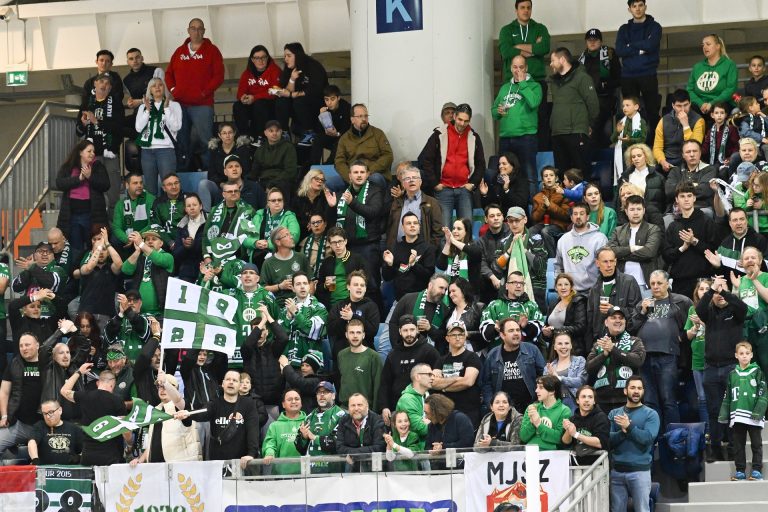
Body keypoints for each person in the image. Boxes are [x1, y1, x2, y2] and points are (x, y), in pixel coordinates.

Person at [631, 270, 693, 428]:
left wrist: (682, 337)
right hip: (644, 357)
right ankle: (654, 436)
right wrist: (642, 312)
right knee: (649, 400)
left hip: (668, 355)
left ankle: (673, 437)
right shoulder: (642, 304)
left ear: (667, 284)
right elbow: (631, 328)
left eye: (659, 283)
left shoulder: (681, 301)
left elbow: (692, 323)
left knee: (668, 399)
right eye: (652, 283)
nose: (655, 286)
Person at [697, 275, 748, 462]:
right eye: (716, 292)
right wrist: (712, 289)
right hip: (711, 368)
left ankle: (734, 449)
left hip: (732, 367)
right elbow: (699, 309)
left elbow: (743, 307)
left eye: (722, 290)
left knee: (734, 410)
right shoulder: (708, 313)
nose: (719, 294)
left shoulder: (736, 312)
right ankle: (716, 447)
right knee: (713, 410)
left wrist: (724, 291)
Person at [165, 18, 224, 171]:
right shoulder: (179, 51)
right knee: (181, 140)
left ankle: (210, 172)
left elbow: (219, 76)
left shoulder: (212, 51)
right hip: (180, 104)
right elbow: (169, 74)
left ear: (203, 31)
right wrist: (173, 90)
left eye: (199, 28)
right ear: (188, 31)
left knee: (206, 140)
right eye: (193, 28)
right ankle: (184, 172)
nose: (196, 31)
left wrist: (204, 92)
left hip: (202, 105)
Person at [327, 161, 387, 302]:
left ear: (368, 174)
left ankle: (375, 314)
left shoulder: (375, 191)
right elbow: (333, 224)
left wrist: (352, 203)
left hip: (368, 246)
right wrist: (331, 207)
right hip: (348, 247)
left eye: (362, 172)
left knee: (371, 284)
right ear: (350, 175)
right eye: (355, 172)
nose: (359, 175)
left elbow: (373, 212)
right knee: (350, 285)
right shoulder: (343, 194)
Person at [177, 370, 260, 469]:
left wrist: (251, 454)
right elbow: (203, 413)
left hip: (241, 461)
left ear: (239, 385)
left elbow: (253, 430)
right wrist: (188, 413)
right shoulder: (215, 403)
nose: (231, 382)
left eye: (235, 380)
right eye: (228, 379)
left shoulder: (249, 404)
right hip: (218, 462)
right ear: (223, 384)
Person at [420, 103, 484, 226]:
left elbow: (481, 164)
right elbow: (426, 160)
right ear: (454, 116)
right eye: (460, 119)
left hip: (464, 189)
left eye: (466, 121)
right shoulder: (439, 134)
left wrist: (473, 184)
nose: (462, 124)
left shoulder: (474, 137)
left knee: (466, 228)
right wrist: (435, 183)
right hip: (443, 189)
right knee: (444, 229)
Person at [497, 0, 550, 142]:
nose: (526, 10)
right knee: (514, 116)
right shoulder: (506, 30)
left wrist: (517, 47)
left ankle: (542, 151)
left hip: (536, 82)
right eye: (522, 7)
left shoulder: (540, 28)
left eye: (528, 7)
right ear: (516, 10)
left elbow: (544, 48)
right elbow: (506, 51)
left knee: (541, 118)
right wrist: (533, 48)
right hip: (512, 83)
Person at [491, 55, 543, 198]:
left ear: (526, 68)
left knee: (529, 174)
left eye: (521, 67)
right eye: (515, 67)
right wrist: (498, 111)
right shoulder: (504, 88)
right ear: (510, 68)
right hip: (505, 137)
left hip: (526, 136)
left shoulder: (535, 86)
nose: (517, 70)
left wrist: (523, 84)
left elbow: (534, 102)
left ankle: (532, 207)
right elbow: (494, 112)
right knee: (503, 173)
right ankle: (505, 204)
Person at [608, 376, 660, 512]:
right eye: (632, 388)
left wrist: (629, 427)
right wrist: (623, 432)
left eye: (639, 388)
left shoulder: (651, 414)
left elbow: (647, 438)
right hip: (616, 473)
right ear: (625, 391)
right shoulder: (614, 414)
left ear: (643, 391)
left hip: (640, 472)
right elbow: (608, 441)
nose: (636, 391)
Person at [76, 71, 125, 215]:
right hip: (92, 154)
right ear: (95, 84)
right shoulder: (86, 104)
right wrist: (83, 124)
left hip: (110, 152)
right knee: (92, 190)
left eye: (108, 83)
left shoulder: (116, 103)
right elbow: (78, 131)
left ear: (110, 88)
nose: (104, 85)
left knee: (113, 190)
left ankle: (113, 222)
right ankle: (96, 222)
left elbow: (118, 128)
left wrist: (97, 122)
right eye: (101, 81)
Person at [718, 341, 766, 481]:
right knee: (738, 444)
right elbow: (727, 394)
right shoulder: (732, 374)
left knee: (756, 444)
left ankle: (756, 470)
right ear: (736, 356)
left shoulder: (757, 372)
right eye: (741, 353)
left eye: (747, 353)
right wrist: (724, 413)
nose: (744, 356)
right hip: (738, 415)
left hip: (753, 415)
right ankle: (740, 471)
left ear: (751, 355)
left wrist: (758, 411)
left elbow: (763, 393)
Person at [379, 315, 440, 426]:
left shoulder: (429, 351)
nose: (409, 333)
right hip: (397, 409)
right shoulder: (393, 354)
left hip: (422, 409)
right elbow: (385, 383)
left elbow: (436, 382)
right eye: (405, 330)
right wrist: (384, 406)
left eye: (412, 329)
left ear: (417, 329)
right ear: (400, 331)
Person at [61, 364, 127, 465]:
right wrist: (130, 444)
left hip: (88, 454)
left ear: (98, 383)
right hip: (111, 455)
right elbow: (125, 430)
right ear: (112, 384)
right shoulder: (118, 401)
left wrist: (79, 372)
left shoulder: (85, 396)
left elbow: (64, 391)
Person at [548, 47, 599, 175]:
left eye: (553, 60)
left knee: (581, 171)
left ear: (562, 59)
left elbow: (593, 104)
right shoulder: (554, 82)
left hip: (576, 131)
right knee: (561, 174)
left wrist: (588, 124)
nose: (551, 64)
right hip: (557, 132)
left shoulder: (582, 77)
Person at [615, 0, 663, 138]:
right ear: (629, 9)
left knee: (652, 111)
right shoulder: (624, 29)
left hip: (648, 74)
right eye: (634, 6)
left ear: (645, 7)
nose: (637, 9)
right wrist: (641, 48)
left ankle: (655, 143)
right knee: (630, 112)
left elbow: (650, 45)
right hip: (628, 76)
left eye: (640, 5)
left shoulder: (655, 26)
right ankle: (633, 143)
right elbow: (620, 50)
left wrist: (630, 46)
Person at [130, 372, 200, 464]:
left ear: (175, 389)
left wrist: (165, 382)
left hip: (179, 467)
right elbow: (152, 442)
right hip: (156, 467)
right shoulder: (155, 410)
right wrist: (141, 460)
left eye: (165, 386)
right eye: (159, 386)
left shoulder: (182, 406)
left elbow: (178, 399)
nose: (162, 389)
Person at [586, 307, 646, 414]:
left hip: (627, 399)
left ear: (625, 322)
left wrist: (613, 349)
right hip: (602, 400)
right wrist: (604, 354)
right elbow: (588, 368)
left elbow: (638, 361)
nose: (618, 320)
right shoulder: (599, 344)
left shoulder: (634, 341)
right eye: (613, 317)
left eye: (621, 318)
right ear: (606, 322)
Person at [662, 182, 717, 299]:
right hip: (680, 282)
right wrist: (682, 248)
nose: (686, 199)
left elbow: (714, 251)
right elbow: (666, 255)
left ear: (694, 198)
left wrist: (694, 241)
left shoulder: (706, 221)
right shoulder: (673, 226)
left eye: (689, 196)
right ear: (676, 199)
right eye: (682, 196)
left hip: (702, 281)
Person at [480, 318, 545, 414]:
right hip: (503, 410)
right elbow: (486, 384)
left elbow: (544, 376)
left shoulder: (532, 350)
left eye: (518, 330)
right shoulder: (492, 355)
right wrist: (492, 404)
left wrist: (539, 401)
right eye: (511, 331)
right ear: (502, 335)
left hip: (531, 407)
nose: (516, 333)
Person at [55, 140, 110, 251]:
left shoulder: (97, 166)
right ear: (80, 152)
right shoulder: (68, 166)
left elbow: (105, 185)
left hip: (92, 215)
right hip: (72, 215)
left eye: (93, 151)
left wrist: (90, 177)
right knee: (76, 248)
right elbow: (60, 183)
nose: (92, 154)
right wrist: (79, 179)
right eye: (89, 151)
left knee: (93, 247)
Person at [586, 247, 642, 349]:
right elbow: (590, 322)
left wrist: (615, 310)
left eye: (612, 261)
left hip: (624, 343)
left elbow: (637, 313)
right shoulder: (594, 289)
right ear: (597, 263)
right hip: (601, 343)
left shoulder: (629, 282)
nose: (609, 265)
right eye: (605, 261)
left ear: (615, 262)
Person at [607, 195, 664, 297]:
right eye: (632, 209)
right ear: (626, 211)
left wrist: (621, 255)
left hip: (646, 284)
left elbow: (649, 252)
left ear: (644, 210)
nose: (636, 213)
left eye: (639, 209)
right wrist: (631, 248)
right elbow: (610, 252)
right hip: (622, 284)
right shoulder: (618, 230)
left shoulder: (653, 229)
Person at [241, 304, 289, 423]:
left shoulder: (273, 347)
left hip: (275, 400)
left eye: (262, 330)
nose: (259, 334)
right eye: (256, 331)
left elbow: (283, 338)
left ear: (267, 332)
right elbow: (248, 344)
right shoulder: (247, 350)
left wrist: (268, 316)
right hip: (254, 401)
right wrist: (262, 322)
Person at [135, 77, 182, 195]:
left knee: (169, 185)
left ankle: (170, 207)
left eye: (160, 85)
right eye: (154, 85)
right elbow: (139, 128)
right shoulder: (143, 107)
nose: (157, 87)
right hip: (147, 151)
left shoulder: (174, 105)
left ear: (164, 88)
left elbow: (176, 127)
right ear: (150, 90)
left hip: (166, 150)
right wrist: (147, 111)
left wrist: (166, 108)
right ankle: (153, 208)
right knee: (150, 189)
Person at [274, 42, 328, 146]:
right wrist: (292, 79)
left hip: (315, 104)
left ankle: (310, 133)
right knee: (281, 101)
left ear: (297, 55)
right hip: (297, 106)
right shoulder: (289, 69)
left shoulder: (313, 66)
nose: (286, 59)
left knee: (299, 101)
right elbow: (286, 91)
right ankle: (284, 133)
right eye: (285, 56)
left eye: (289, 56)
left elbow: (317, 89)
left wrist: (294, 95)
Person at [431, 321, 483, 426]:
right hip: (446, 413)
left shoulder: (472, 357)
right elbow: (433, 383)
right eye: (454, 335)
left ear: (465, 337)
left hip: (468, 412)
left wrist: (443, 387)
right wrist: (456, 378)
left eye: (461, 334)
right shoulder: (441, 360)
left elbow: (468, 382)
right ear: (447, 338)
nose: (458, 338)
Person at [578, 29, 622, 149]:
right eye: (589, 40)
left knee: (596, 128)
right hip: (585, 101)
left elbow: (619, 78)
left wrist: (607, 84)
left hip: (604, 99)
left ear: (601, 41)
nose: (592, 42)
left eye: (595, 40)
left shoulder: (609, 54)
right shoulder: (582, 58)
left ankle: (593, 153)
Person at [480, 270, 545, 350]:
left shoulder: (532, 306)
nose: (519, 286)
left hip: (526, 353)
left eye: (521, 283)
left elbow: (539, 333)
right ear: (507, 286)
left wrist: (526, 327)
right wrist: (495, 330)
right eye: (515, 282)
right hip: (499, 353)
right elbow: (485, 335)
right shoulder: (494, 305)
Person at [0, 333, 43, 456]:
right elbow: (4, 391)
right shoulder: (14, 363)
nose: (24, 348)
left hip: (44, 425)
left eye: (27, 345)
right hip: (19, 424)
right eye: (21, 346)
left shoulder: (48, 364)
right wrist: (4, 416)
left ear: (37, 345)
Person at [39, 319, 88, 421]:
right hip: (54, 420)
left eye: (68, 352)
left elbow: (85, 347)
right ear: (54, 356)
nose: (66, 356)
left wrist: (74, 330)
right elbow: (44, 348)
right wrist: (62, 330)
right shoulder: (48, 367)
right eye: (61, 353)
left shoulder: (74, 366)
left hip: (77, 420)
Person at [385, 164, 443, 249]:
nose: (411, 180)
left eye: (415, 178)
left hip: (422, 252)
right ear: (403, 184)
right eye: (407, 178)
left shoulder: (432, 203)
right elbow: (390, 228)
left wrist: (429, 251)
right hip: (398, 251)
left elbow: (438, 232)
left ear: (420, 182)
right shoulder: (396, 203)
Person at [555, 202, 609, 293]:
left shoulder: (600, 239)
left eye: (582, 213)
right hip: (570, 291)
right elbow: (558, 266)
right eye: (575, 214)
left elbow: (605, 266)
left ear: (587, 217)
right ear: (571, 218)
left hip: (593, 291)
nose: (578, 216)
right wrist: (560, 286)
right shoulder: (563, 240)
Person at [382, 213, 437, 301]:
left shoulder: (428, 248)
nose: (412, 225)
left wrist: (414, 264)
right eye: (408, 223)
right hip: (399, 299)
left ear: (419, 226)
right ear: (403, 227)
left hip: (420, 299)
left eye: (415, 223)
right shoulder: (395, 248)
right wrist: (389, 265)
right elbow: (387, 277)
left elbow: (429, 276)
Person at [327, 271, 380, 362]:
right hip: (342, 350)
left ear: (365, 289)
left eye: (362, 285)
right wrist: (343, 318)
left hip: (365, 350)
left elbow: (373, 330)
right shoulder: (339, 306)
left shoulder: (371, 306)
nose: (359, 287)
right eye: (356, 284)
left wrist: (353, 317)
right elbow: (330, 330)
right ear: (348, 287)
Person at [387, 274, 450, 351]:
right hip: (404, 349)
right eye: (441, 288)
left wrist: (430, 329)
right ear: (430, 285)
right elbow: (394, 323)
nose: (443, 292)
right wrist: (397, 346)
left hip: (429, 353)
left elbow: (443, 336)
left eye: (445, 289)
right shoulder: (408, 298)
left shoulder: (444, 310)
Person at [295, 381, 346, 473]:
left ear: (333, 396)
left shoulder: (342, 415)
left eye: (325, 392)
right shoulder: (309, 417)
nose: (321, 395)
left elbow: (338, 443)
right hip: (310, 470)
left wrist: (314, 438)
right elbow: (299, 448)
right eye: (319, 392)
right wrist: (303, 438)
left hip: (333, 471)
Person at [279, 271, 328, 368]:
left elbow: (311, 330)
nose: (302, 287)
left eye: (305, 283)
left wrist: (296, 313)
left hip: (311, 364)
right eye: (298, 284)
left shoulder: (320, 308)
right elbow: (280, 337)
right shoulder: (284, 310)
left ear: (309, 286)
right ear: (293, 288)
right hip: (288, 363)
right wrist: (288, 318)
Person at [335, 104, 393, 184]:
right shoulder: (344, 138)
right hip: (352, 175)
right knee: (331, 183)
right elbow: (339, 161)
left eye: (366, 116)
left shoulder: (378, 134)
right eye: (360, 116)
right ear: (352, 120)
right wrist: (349, 176)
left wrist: (369, 171)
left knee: (375, 178)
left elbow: (388, 155)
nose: (364, 119)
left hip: (374, 173)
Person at [200, 123, 254, 210]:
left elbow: (247, 171)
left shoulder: (242, 149)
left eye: (230, 132)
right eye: (224, 133)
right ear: (219, 135)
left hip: (239, 184)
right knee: (203, 184)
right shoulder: (214, 150)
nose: (227, 136)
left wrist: (236, 184)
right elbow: (211, 174)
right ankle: (206, 213)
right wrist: (222, 184)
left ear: (234, 133)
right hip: (220, 185)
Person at [121, 229, 174, 317]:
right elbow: (126, 270)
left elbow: (158, 260)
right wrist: (137, 251)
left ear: (161, 243)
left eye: (154, 239)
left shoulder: (168, 256)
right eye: (147, 239)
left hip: (159, 314)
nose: (150, 241)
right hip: (138, 313)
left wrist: (142, 244)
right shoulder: (139, 258)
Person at [233, 45, 282, 140]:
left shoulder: (275, 70)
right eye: (257, 58)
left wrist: (255, 97)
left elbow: (277, 91)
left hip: (269, 105)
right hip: (252, 104)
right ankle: (245, 136)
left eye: (263, 57)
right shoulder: (247, 73)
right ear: (252, 59)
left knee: (260, 104)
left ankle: (261, 136)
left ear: (268, 58)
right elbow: (240, 93)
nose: (260, 60)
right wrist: (243, 97)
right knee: (238, 106)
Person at [653, 89, 705, 173]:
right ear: (673, 106)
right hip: (666, 159)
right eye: (679, 106)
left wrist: (686, 125)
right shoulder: (663, 120)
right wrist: (662, 161)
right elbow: (657, 147)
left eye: (686, 105)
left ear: (690, 103)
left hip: (686, 160)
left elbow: (695, 147)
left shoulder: (698, 120)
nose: (683, 109)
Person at [664, 139, 717, 221]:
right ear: (683, 155)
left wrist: (680, 188)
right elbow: (669, 191)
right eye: (688, 152)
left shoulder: (710, 169)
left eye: (695, 151)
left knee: (705, 214)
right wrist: (694, 185)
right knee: (666, 220)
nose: (692, 154)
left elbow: (705, 190)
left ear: (700, 153)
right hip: (677, 210)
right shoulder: (675, 171)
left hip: (701, 208)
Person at [245, 187, 299, 268]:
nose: (277, 202)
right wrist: (255, 243)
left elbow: (293, 238)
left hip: (281, 257)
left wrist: (269, 244)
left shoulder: (289, 217)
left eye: (279, 200)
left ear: (283, 202)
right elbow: (245, 238)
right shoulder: (259, 215)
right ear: (268, 203)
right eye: (273, 200)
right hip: (258, 256)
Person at [336, 319, 382, 409]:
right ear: (346, 335)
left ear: (363, 335)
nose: (355, 336)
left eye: (358, 332)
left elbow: (378, 387)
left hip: (365, 408)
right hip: (344, 408)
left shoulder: (373, 356)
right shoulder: (341, 354)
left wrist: (374, 412)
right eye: (352, 332)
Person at [687, 34, 738, 115]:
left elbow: (730, 89)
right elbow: (689, 89)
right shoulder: (697, 67)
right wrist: (701, 104)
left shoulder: (729, 64)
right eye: (703, 45)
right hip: (699, 106)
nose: (704, 47)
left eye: (708, 44)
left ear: (718, 46)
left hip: (722, 105)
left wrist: (712, 103)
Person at [335, 393, 386, 472]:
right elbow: (339, 447)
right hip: (351, 468)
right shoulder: (343, 421)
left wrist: (353, 454)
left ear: (367, 406)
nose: (356, 408)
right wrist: (359, 452)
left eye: (359, 405)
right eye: (353, 405)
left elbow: (379, 447)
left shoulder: (377, 420)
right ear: (348, 407)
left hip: (374, 469)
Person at [685, 279, 712, 428]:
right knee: (702, 398)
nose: (704, 291)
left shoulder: (715, 307)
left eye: (707, 288)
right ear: (697, 292)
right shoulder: (692, 309)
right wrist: (695, 327)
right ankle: (706, 431)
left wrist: (702, 322)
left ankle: (717, 430)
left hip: (713, 358)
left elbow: (717, 331)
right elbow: (688, 336)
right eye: (701, 289)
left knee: (714, 396)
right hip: (697, 358)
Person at [259, 226, 309, 306]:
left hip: (301, 304)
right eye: (286, 235)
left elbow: (311, 281)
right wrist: (280, 286)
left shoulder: (301, 257)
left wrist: (307, 300)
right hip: (279, 305)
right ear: (278, 242)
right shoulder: (268, 263)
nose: (291, 237)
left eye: (290, 234)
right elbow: (262, 289)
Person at [260, 389, 306, 475]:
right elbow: (270, 444)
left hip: (306, 474)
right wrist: (269, 453)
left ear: (301, 403)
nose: (293, 401)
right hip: (281, 475)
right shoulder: (275, 426)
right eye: (290, 399)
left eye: (297, 399)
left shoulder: (309, 422)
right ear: (283, 404)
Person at [561, 385, 610, 465]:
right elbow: (565, 443)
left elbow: (600, 443)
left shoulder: (601, 417)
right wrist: (568, 430)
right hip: (577, 465)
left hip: (598, 465)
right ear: (577, 400)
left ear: (594, 401)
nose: (587, 400)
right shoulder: (572, 419)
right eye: (583, 397)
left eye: (590, 397)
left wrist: (576, 434)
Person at [250, 120, 298, 200]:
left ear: (281, 132)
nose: (274, 133)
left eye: (277, 131)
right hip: (263, 181)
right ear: (265, 133)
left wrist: (272, 184)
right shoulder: (260, 149)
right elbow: (254, 171)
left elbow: (290, 171)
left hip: (281, 182)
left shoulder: (288, 147)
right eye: (271, 131)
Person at [519, 375, 571, 449]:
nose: (536, 390)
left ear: (552, 391)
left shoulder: (564, 411)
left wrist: (538, 424)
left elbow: (559, 439)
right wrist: (532, 423)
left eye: (541, 387)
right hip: (531, 451)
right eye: (537, 387)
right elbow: (523, 437)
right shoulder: (532, 408)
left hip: (552, 453)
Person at [27, 400, 83, 465]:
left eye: (51, 412)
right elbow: (32, 442)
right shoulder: (39, 426)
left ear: (60, 410)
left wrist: (79, 457)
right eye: (45, 413)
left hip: (69, 468)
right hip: (45, 468)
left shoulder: (74, 428)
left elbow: (85, 448)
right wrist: (35, 459)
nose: (48, 417)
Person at [542, 273, 587, 354]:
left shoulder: (578, 302)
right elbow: (548, 327)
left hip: (573, 349)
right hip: (554, 350)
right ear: (556, 288)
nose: (563, 287)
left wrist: (555, 330)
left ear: (571, 287)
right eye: (560, 285)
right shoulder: (553, 304)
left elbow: (580, 327)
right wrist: (546, 333)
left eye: (566, 284)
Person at [619, 143, 666, 220]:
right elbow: (618, 202)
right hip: (629, 218)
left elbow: (665, 200)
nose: (636, 159)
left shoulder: (658, 177)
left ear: (646, 157)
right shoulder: (625, 177)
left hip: (653, 218)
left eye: (639, 156)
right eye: (633, 157)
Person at [112, 173, 156, 253]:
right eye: (135, 183)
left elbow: (152, 223)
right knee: (114, 239)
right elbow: (116, 227)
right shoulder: (120, 204)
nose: (139, 185)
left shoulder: (150, 199)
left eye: (141, 183)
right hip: (128, 237)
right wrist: (127, 239)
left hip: (144, 235)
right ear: (127, 185)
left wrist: (137, 237)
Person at [124, 48, 164, 135]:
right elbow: (132, 99)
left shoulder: (156, 71)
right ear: (127, 62)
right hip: (139, 114)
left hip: (157, 112)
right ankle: (138, 139)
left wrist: (140, 101)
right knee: (118, 125)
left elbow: (161, 95)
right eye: (131, 59)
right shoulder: (126, 80)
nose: (135, 61)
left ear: (142, 58)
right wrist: (130, 103)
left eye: (137, 57)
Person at [543, 332, 587, 412]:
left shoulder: (580, 360)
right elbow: (546, 390)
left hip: (575, 403)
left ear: (571, 345)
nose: (563, 346)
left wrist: (558, 378)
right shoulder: (548, 368)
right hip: (555, 405)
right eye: (560, 344)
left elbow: (581, 381)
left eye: (566, 343)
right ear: (555, 347)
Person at [395, 363, 434, 449]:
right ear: (417, 377)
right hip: (412, 451)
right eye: (429, 374)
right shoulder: (407, 400)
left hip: (427, 448)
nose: (432, 378)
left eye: (432, 375)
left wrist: (430, 422)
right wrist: (434, 423)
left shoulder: (427, 396)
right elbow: (421, 428)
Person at [311, 84, 352, 165]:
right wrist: (322, 116)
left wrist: (337, 134)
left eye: (332, 99)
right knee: (317, 139)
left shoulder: (346, 107)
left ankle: (328, 165)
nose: (329, 103)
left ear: (338, 98)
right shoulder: (323, 108)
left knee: (339, 142)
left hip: (342, 137)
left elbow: (347, 127)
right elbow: (318, 130)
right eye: (326, 100)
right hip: (330, 136)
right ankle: (314, 166)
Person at [478, 204, 511, 303]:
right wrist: (492, 277)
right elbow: (481, 263)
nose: (496, 218)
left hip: (510, 278)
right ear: (486, 219)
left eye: (498, 215)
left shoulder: (512, 235)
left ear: (503, 217)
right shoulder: (481, 241)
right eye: (492, 216)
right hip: (490, 282)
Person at [479, 153, 529, 217]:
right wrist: (485, 195)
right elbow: (488, 208)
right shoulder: (496, 180)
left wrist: (507, 190)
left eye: (504, 164)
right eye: (499, 164)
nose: (500, 166)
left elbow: (520, 204)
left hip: (515, 218)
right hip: (498, 219)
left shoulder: (521, 180)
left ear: (513, 165)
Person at [437, 219, 483, 287]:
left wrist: (453, 241)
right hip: (449, 289)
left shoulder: (473, 247)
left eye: (459, 229)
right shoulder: (450, 248)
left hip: (468, 290)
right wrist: (448, 243)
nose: (455, 231)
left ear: (466, 232)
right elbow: (440, 266)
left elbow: (476, 252)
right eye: (453, 228)